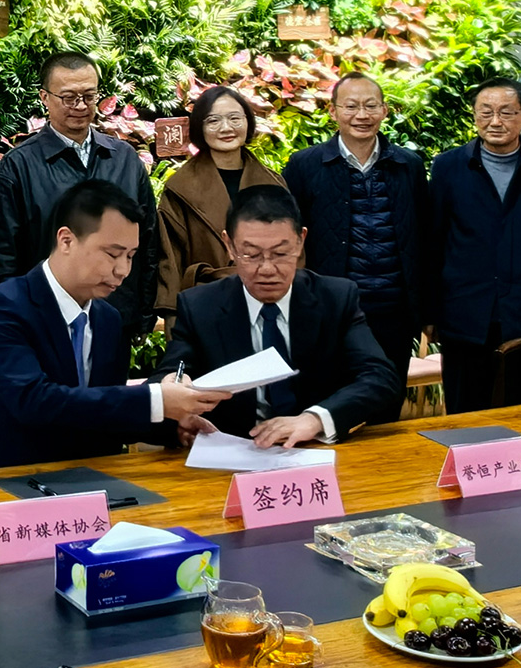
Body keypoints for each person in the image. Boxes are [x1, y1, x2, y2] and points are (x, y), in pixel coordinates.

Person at [0, 180, 229, 473]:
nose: (123, 270)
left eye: (130, 256)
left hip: (86, 479)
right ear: (66, 240)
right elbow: (33, 401)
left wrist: (172, 425)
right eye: (112, 254)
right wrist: (155, 399)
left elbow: (102, 413)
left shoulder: (108, 319)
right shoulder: (2, 307)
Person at [151, 185, 400, 448]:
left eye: (281, 253)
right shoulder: (200, 307)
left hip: (315, 448)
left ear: (301, 241)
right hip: (233, 451)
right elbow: (166, 380)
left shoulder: (335, 298)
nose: (267, 269)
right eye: (251, 254)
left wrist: (315, 419)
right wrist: (177, 409)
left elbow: (380, 377)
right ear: (229, 245)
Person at [0, 52, 157, 359]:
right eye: (69, 97)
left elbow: (149, 240)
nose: (80, 106)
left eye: (89, 96)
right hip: (43, 325)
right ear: (44, 98)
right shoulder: (19, 166)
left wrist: (143, 314)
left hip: (113, 318)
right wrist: (13, 323)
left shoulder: (124, 159)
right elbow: (0, 256)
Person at [283, 72, 429, 419]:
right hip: (331, 309)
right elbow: (290, 237)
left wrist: (427, 310)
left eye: (370, 106)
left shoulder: (408, 165)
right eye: (350, 106)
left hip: (395, 308)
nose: (361, 115)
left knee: (387, 400)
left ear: (385, 111)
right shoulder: (304, 164)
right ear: (333, 111)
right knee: (329, 401)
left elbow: (425, 236)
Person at [429, 78, 521, 414]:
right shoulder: (448, 167)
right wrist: (431, 314)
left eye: (506, 112)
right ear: (474, 115)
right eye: (486, 112)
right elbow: (434, 243)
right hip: (464, 315)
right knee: (466, 415)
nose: (495, 121)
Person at [156, 86, 286, 332]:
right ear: (199, 127)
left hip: (267, 301)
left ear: (248, 122)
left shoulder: (274, 183)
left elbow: (292, 252)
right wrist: (172, 317)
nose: (226, 128)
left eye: (235, 118)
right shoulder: (180, 188)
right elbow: (169, 259)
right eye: (213, 120)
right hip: (205, 305)